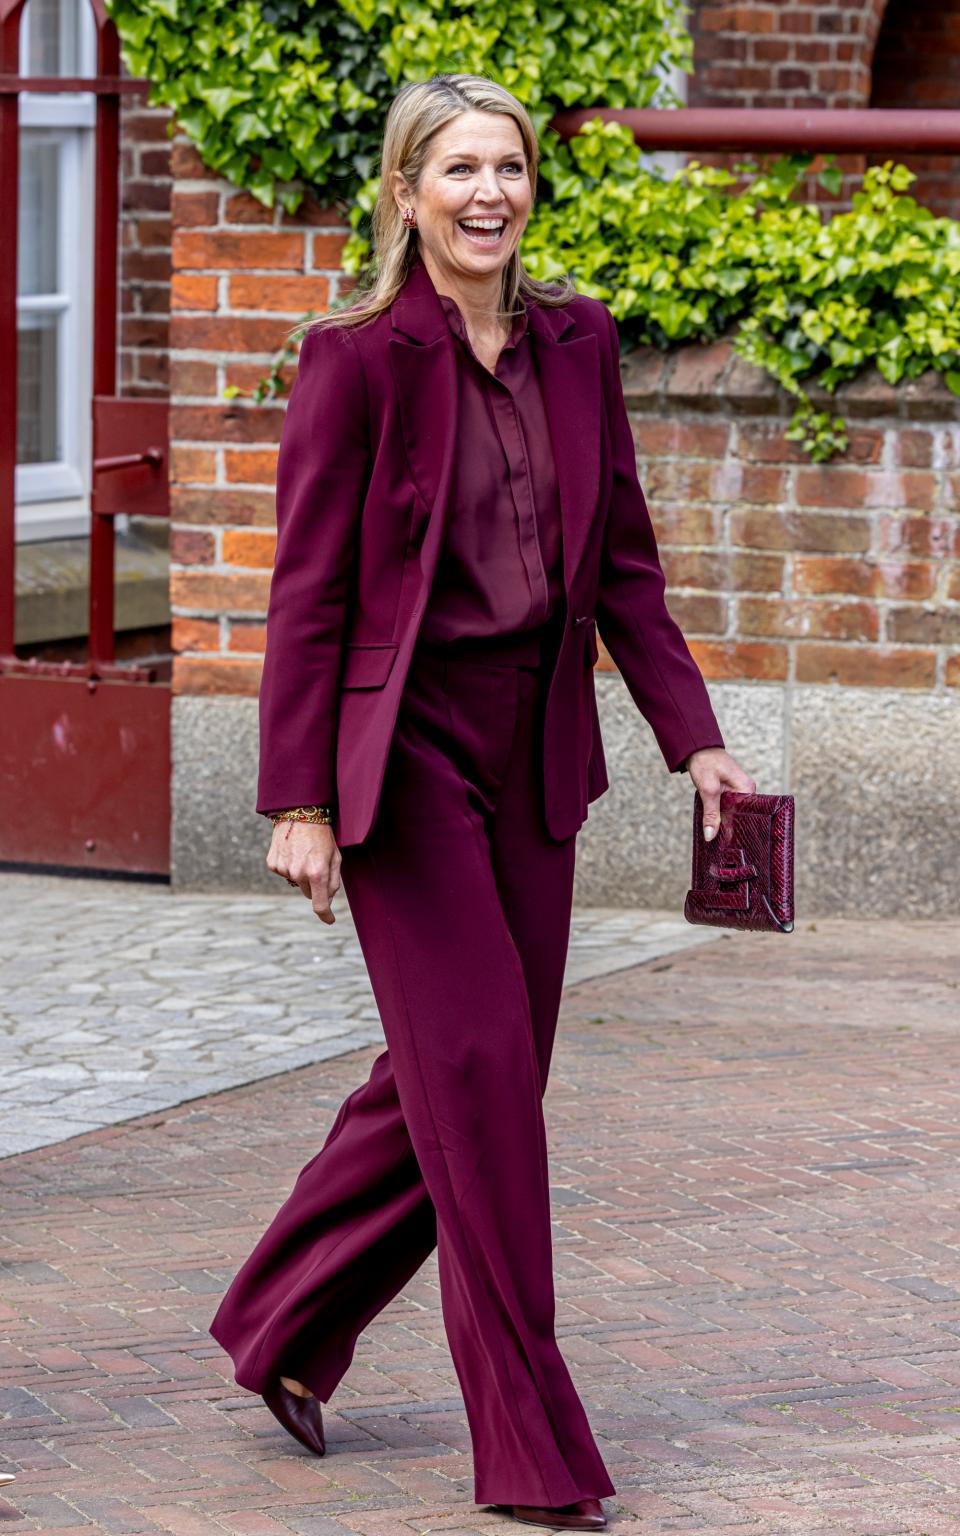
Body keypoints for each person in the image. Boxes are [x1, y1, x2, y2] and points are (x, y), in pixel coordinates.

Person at [209, 72, 756, 1533]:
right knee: (481, 1098)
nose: (490, 193)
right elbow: (309, 600)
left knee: (471, 1081)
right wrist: (297, 802)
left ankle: (278, 1317)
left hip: (537, 758)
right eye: (458, 169)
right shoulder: (356, 364)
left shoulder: (578, 346)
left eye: (508, 167)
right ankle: (531, 1445)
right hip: (405, 769)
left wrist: (691, 741)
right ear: (406, 193)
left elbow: (624, 565)